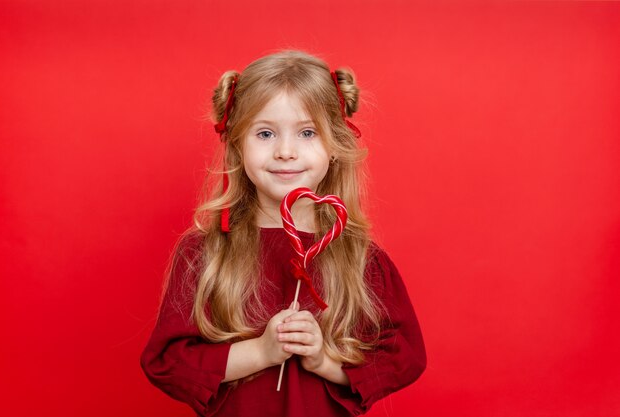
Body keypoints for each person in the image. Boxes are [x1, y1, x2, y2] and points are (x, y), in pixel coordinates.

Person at [140, 49, 426, 417]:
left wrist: (322, 360)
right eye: (265, 133)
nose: (286, 151)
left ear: (335, 146)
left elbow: (404, 356)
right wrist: (260, 352)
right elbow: (168, 362)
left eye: (307, 132)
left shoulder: (360, 258)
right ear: (238, 145)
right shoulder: (205, 252)